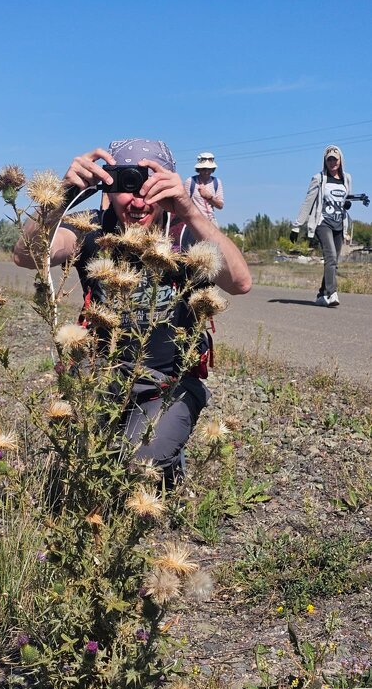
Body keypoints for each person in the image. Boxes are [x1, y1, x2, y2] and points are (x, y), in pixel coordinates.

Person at [14, 139, 251, 485]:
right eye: (126, 184)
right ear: (107, 185)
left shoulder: (186, 233)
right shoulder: (90, 228)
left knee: (136, 463)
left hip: (169, 382)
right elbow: (27, 255)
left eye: (149, 185)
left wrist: (189, 209)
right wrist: (63, 192)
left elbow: (240, 282)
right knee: (87, 461)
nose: (138, 200)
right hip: (103, 372)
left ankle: (165, 451)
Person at [291, 145, 352, 307]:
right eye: (329, 159)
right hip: (322, 223)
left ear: (340, 161)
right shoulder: (319, 178)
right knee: (330, 257)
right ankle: (332, 293)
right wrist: (297, 225)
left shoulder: (346, 178)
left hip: (339, 224)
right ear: (325, 161)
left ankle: (321, 294)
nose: (332, 162)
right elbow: (308, 201)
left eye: (335, 159)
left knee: (334, 261)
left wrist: (347, 203)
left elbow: (346, 198)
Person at [184, 152, 224, 224]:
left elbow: (220, 205)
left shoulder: (216, 182)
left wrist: (209, 197)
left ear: (212, 169)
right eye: (204, 169)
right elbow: (184, 203)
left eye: (209, 169)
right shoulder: (190, 181)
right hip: (194, 221)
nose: (206, 172)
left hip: (211, 221)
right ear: (199, 169)